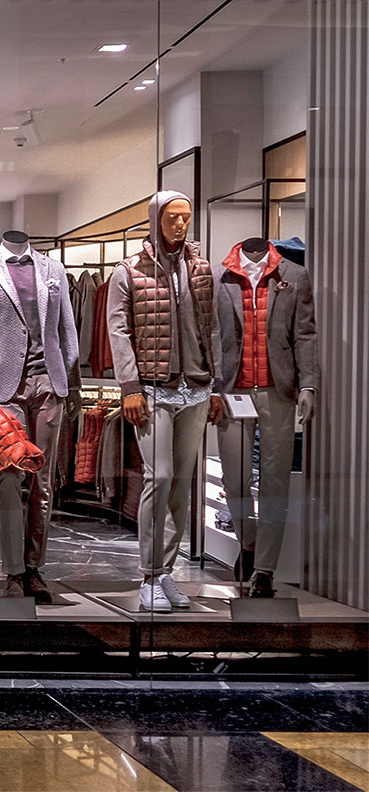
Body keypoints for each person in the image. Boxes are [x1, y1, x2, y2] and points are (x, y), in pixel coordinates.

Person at [107, 191, 223, 613]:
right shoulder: (129, 270)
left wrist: (216, 384)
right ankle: (149, 575)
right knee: (159, 477)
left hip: (196, 386)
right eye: (172, 217)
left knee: (181, 482)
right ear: (155, 218)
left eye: (186, 217)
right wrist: (129, 387)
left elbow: (213, 328)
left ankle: (166, 572)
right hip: (153, 388)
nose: (180, 224)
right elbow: (118, 332)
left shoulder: (201, 268)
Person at [0, 230, 82, 603]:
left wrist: (72, 384)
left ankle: (34, 568)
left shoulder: (53, 269)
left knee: (43, 481)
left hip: (50, 384)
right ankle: (14, 570)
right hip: (4, 389)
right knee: (10, 478)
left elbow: (67, 329)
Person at [212, 236, 318, 599]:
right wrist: (212, 387)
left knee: (275, 480)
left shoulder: (295, 276)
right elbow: (211, 334)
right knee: (234, 477)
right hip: (233, 392)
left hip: (278, 389)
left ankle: (265, 570)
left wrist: (309, 384)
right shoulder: (220, 277)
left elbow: (305, 334)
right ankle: (250, 542)